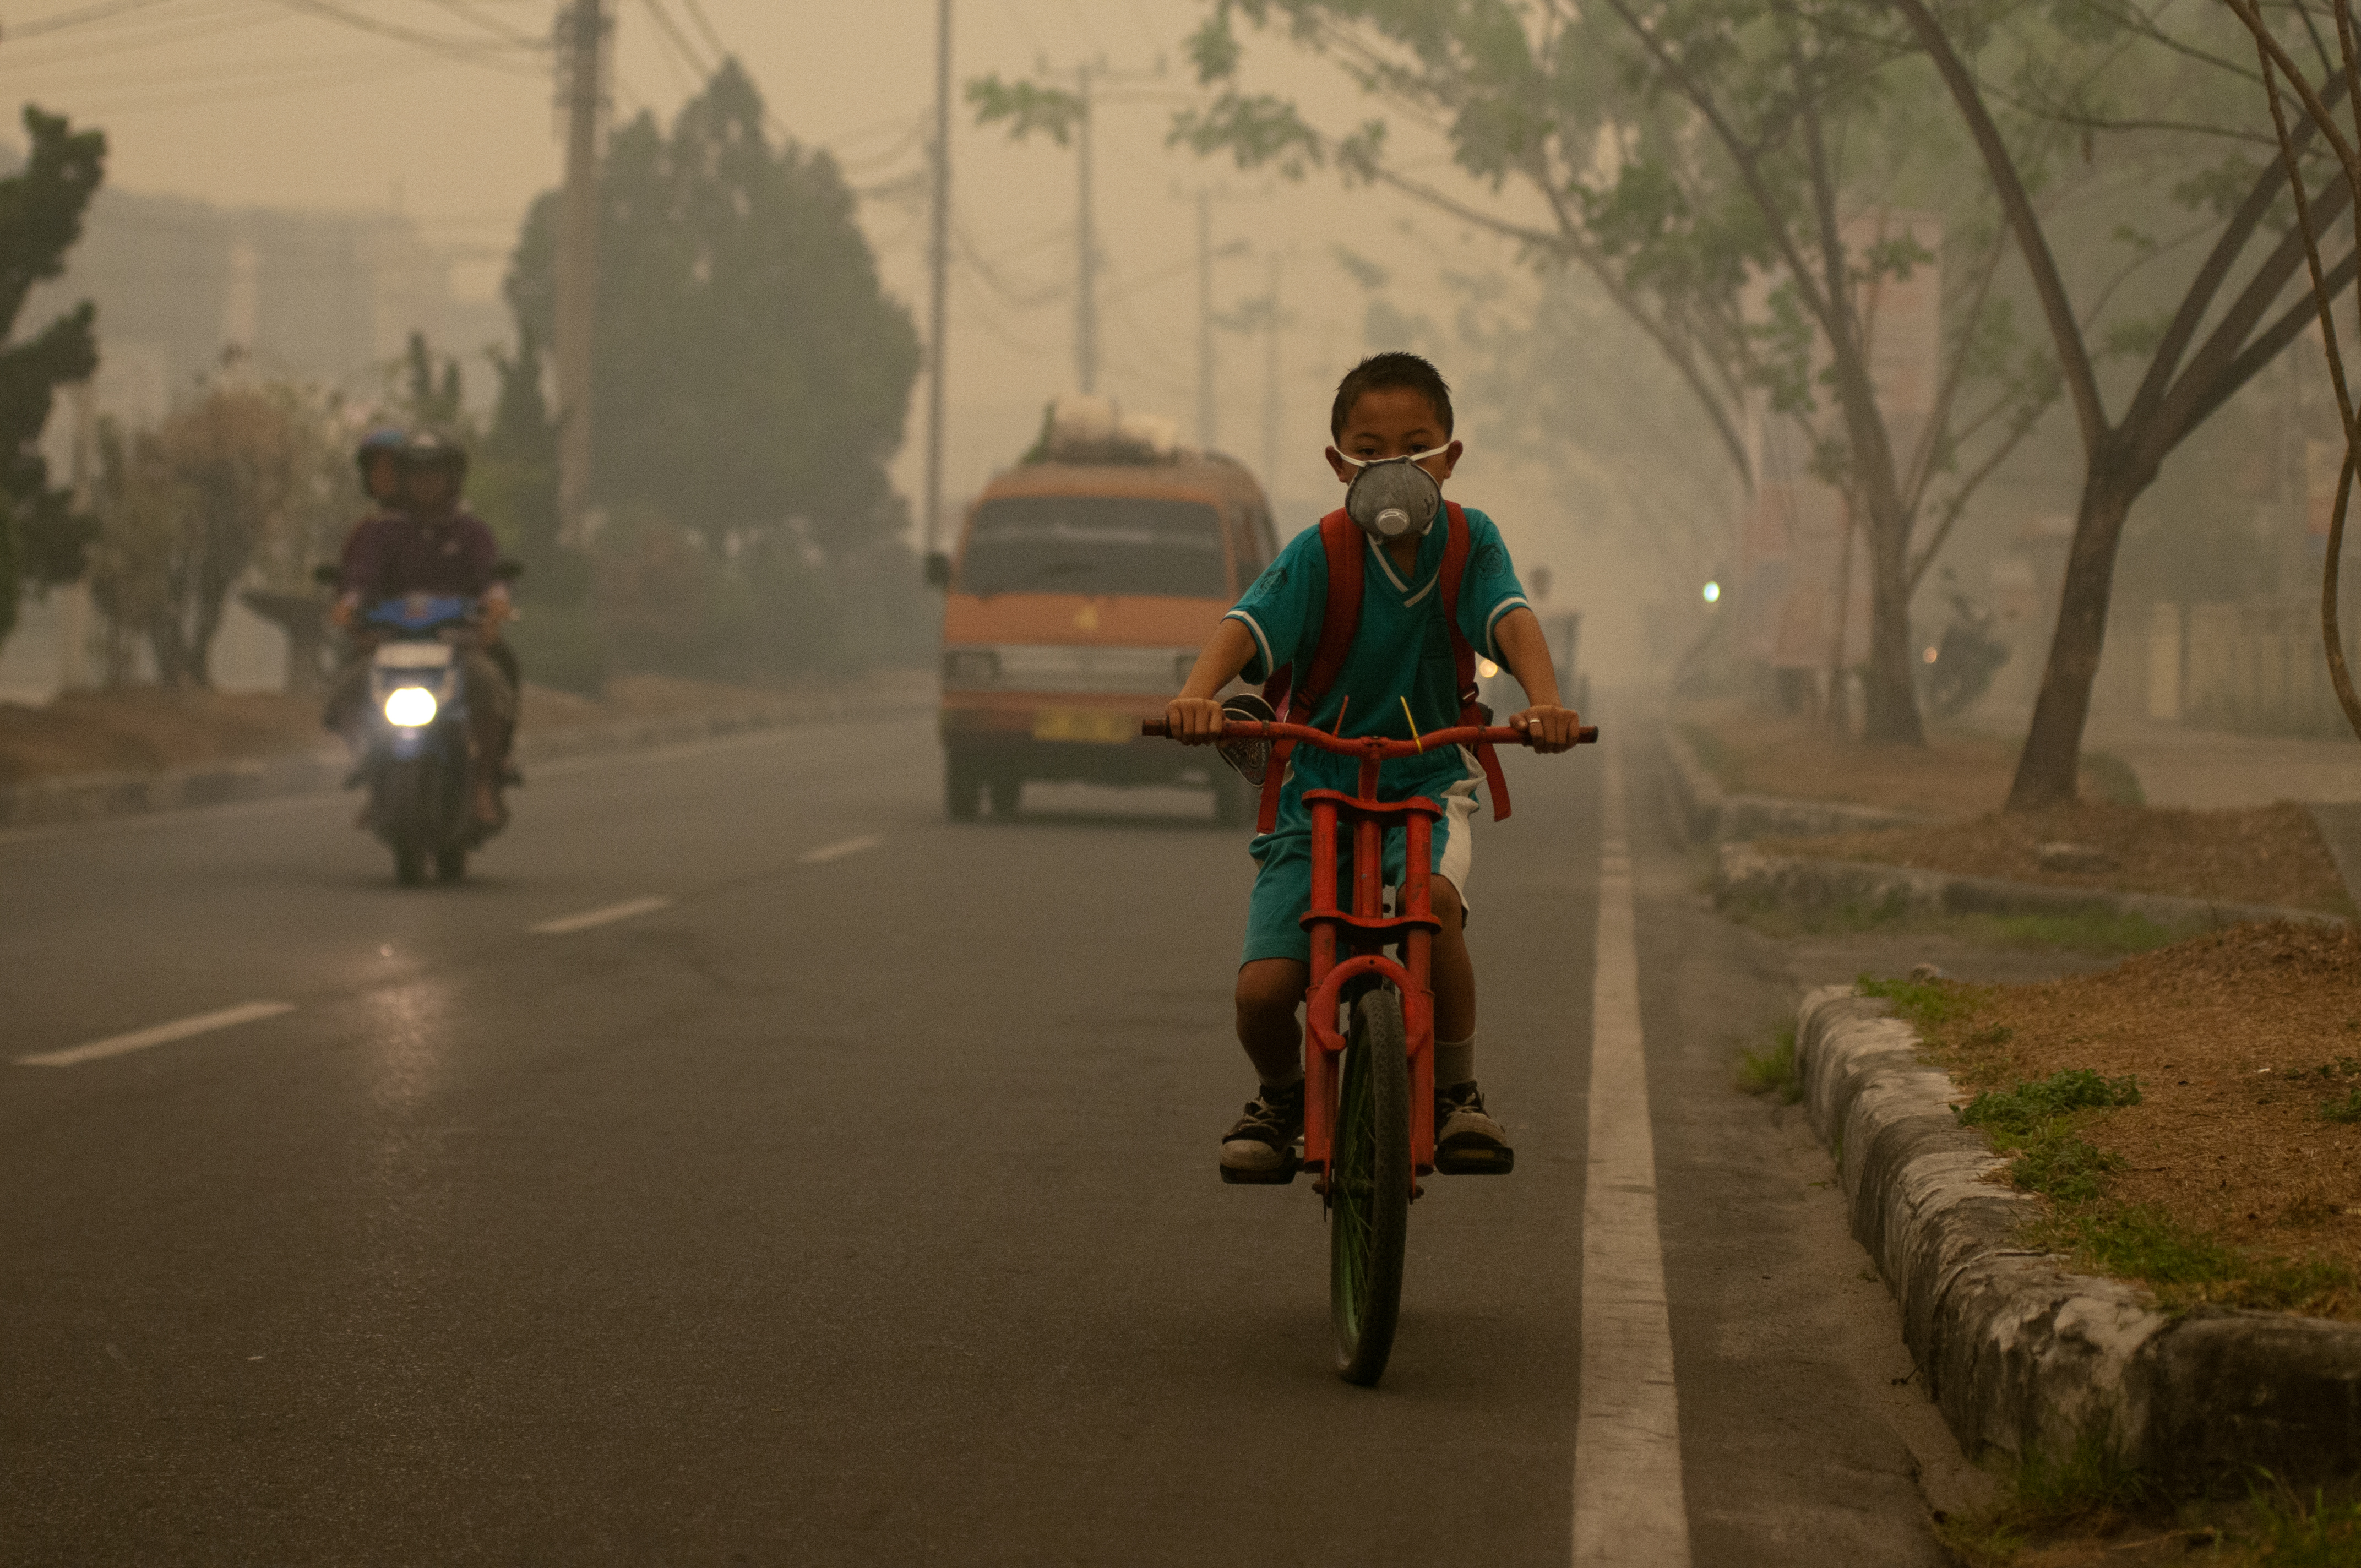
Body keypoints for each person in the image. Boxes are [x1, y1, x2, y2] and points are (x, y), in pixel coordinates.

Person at [1162, 352, 1585, 1180]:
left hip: (1431, 778)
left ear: (1450, 457)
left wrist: (1546, 701)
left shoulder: (1471, 540)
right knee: (1260, 995)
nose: (1394, 468)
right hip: (1314, 789)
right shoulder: (1319, 552)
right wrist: (1195, 695)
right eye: (1370, 449)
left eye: (1416, 446)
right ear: (1338, 465)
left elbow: (1512, 621)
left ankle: (1458, 1093)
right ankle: (1281, 1094)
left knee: (1433, 906)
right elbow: (1246, 627)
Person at [324, 429, 518, 827]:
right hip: (390, 646)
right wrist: (349, 606)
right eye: (417, 475)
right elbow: (360, 579)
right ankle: (373, 773)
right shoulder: (381, 533)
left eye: (435, 475)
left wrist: (496, 602)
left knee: (490, 685)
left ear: (453, 479)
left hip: (457, 647)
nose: (426, 484)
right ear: (404, 481)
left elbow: (490, 576)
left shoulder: (471, 531)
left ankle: (483, 782)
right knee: (346, 690)